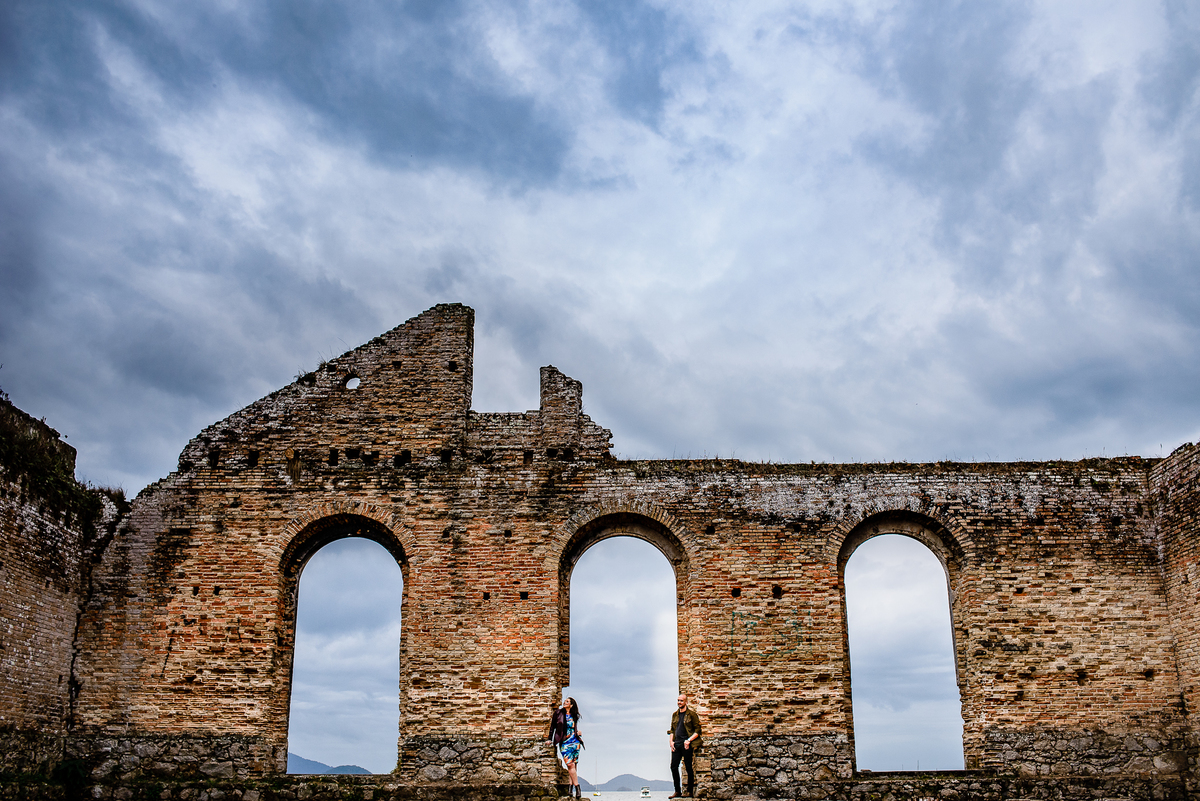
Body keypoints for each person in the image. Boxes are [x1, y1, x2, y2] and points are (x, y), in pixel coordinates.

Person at [548, 696, 584, 798]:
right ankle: (577, 788)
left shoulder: (574, 715)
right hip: (564, 743)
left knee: (573, 766)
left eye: (567, 702)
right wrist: (549, 739)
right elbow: (552, 726)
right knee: (570, 765)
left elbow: (573, 728)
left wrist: (578, 732)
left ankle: (570, 789)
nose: (564, 702)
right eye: (565, 701)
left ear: (571, 705)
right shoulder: (558, 713)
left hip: (575, 743)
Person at [668, 693, 701, 798]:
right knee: (673, 767)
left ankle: (690, 791)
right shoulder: (675, 715)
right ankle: (677, 791)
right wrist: (671, 742)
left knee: (688, 768)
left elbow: (697, 731)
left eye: (681, 700)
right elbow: (672, 730)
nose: (679, 702)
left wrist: (688, 740)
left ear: (686, 702)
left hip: (686, 744)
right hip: (676, 744)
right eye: (678, 700)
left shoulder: (691, 714)